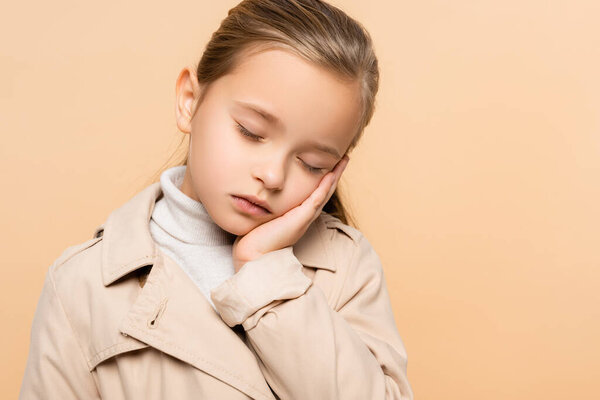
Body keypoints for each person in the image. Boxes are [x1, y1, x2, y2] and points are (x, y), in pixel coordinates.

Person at [19, 0, 413, 399]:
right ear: (190, 100)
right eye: (250, 131)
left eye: (312, 163)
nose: (273, 176)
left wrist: (264, 272)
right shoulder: (81, 288)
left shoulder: (345, 267)